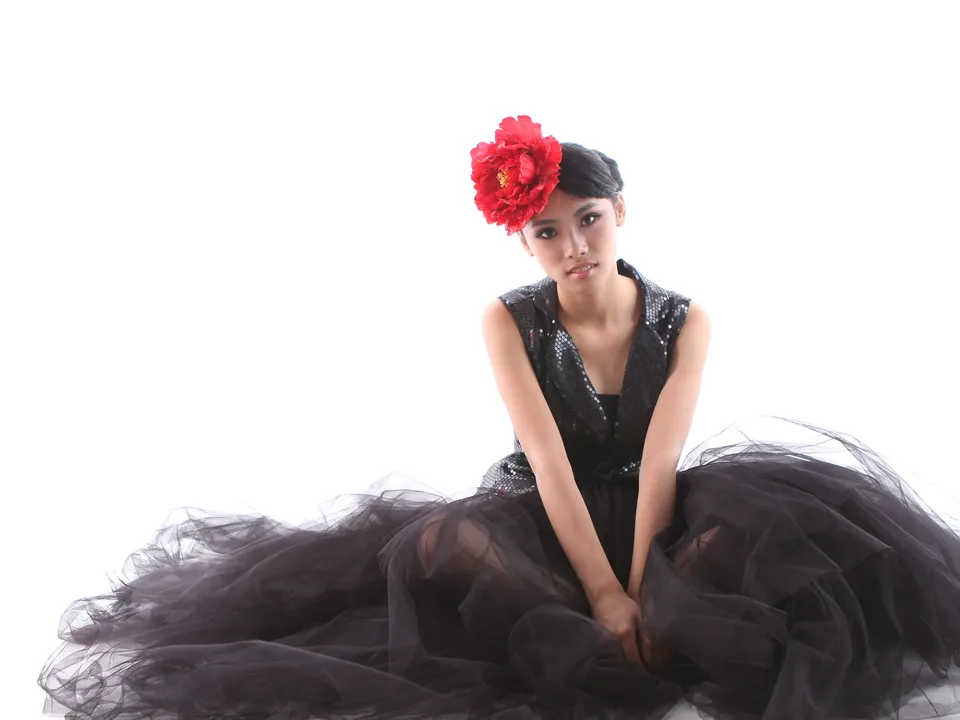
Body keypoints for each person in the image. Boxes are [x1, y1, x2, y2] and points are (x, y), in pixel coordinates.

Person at [38, 115, 960, 720]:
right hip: (544, 509)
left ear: (622, 212)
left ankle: (655, 628)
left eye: (589, 220)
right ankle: (592, 628)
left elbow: (660, 461)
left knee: (772, 537)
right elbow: (549, 461)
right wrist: (604, 593)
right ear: (524, 240)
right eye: (547, 233)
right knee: (441, 545)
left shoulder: (685, 319)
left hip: (657, 509)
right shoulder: (509, 318)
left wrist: (646, 582)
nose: (574, 247)